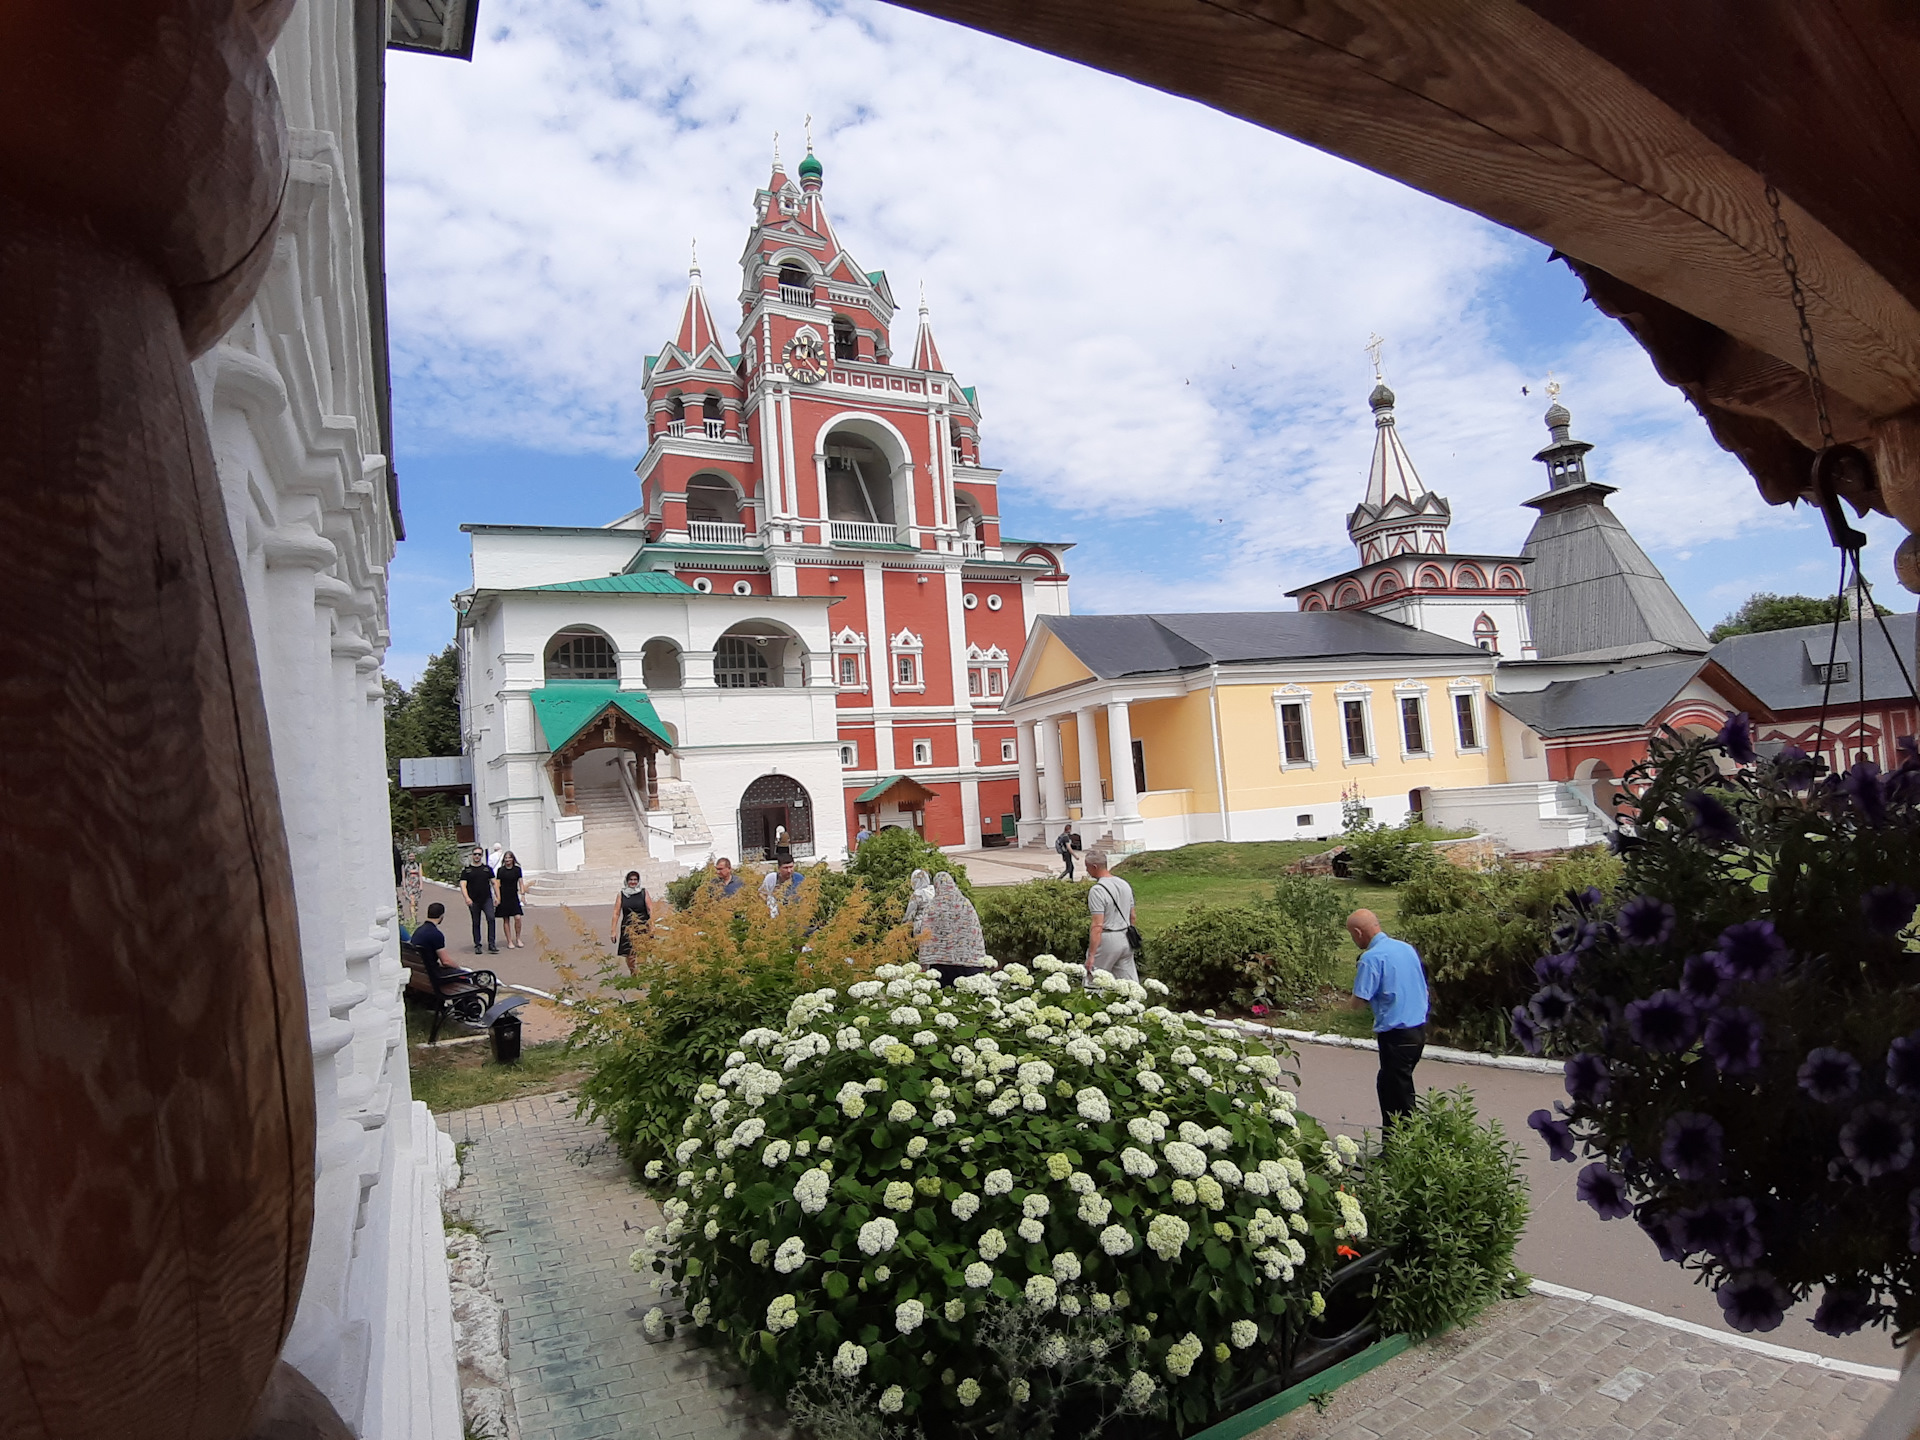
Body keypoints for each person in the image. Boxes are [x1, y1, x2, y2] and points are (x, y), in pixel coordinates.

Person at [1341, 909, 1430, 1130]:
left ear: (1358, 932)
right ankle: (1398, 1146)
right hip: (1418, 1031)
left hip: (1396, 1037)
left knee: (1396, 1097)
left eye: (1352, 935)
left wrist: (1343, 1007)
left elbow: (1358, 1002)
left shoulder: (1371, 958)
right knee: (1395, 1088)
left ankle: (1398, 1151)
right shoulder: (1405, 948)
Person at [917, 872, 988, 985]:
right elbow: (974, 932)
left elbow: (926, 935)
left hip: (940, 965)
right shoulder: (966, 904)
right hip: (968, 963)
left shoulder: (932, 908)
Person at [1083, 850, 1138, 985]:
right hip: (1126, 937)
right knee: (1128, 984)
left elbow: (1097, 925)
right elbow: (1133, 916)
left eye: (1087, 867)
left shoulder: (1097, 890)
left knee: (1093, 980)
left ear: (1094, 867)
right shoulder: (1124, 884)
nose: (1086, 870)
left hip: (1108, 939)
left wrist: (1091, 955)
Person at [460, 846, 498, 954]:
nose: (477, 856)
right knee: (476, 922)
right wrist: (467, 898)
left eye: (479, 854)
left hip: (487, 899)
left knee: (491, 918)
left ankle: (492, 944)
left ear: (482, 856)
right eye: (475, 854)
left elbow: (494, 883)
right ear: (472, 855)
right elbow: (463, 885)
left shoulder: (487, 869)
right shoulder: (467, 871)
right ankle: (477, 944)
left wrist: (498, 896)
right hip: (473, 900)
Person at [612, 870, 651, 969]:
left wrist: (652, 924)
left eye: (635, 880)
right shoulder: (621, 894)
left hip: (643, 925)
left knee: (643, 951)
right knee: (630, 954)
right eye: (630, 880)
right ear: (626, 881)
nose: (633, 882)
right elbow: (616, 913)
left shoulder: (644, 892)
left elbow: (650, 909)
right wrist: (613, 931)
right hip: (628, 927)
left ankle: (643, 973)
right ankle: (633, 974)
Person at [495, 850, 526, 949]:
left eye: (509, 858)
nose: (508, 860)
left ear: (513, 859)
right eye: (506, 858)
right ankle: (509, 941)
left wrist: (523, 894)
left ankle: (518, 938)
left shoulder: (517, 869)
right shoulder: (501, 870)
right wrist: (497, 897)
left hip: (513, 896)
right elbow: (497, 884)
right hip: (504, 896)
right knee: (506, 919)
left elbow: (521, 882)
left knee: (518, 917)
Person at [904, 868, 936, 936]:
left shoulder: (917, 894)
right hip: (936, 924)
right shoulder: (934, 889)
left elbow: (910, 914)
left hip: (922, 927)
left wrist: (902, 928)